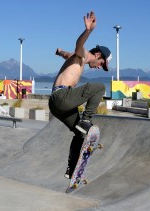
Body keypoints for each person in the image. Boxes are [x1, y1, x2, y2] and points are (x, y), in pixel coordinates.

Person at [49, 11, 112, 179]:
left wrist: (60, 52)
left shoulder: (76, 58)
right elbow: (79, 44)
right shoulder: (82, 54)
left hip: (56, 106)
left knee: (80, 133)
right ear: (98, 55)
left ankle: (71, 169)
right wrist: (88, 30)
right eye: (101, 64)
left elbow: (67, 54)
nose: (99, 67)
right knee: (99, 87)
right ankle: (86, 119)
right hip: (62, 97)